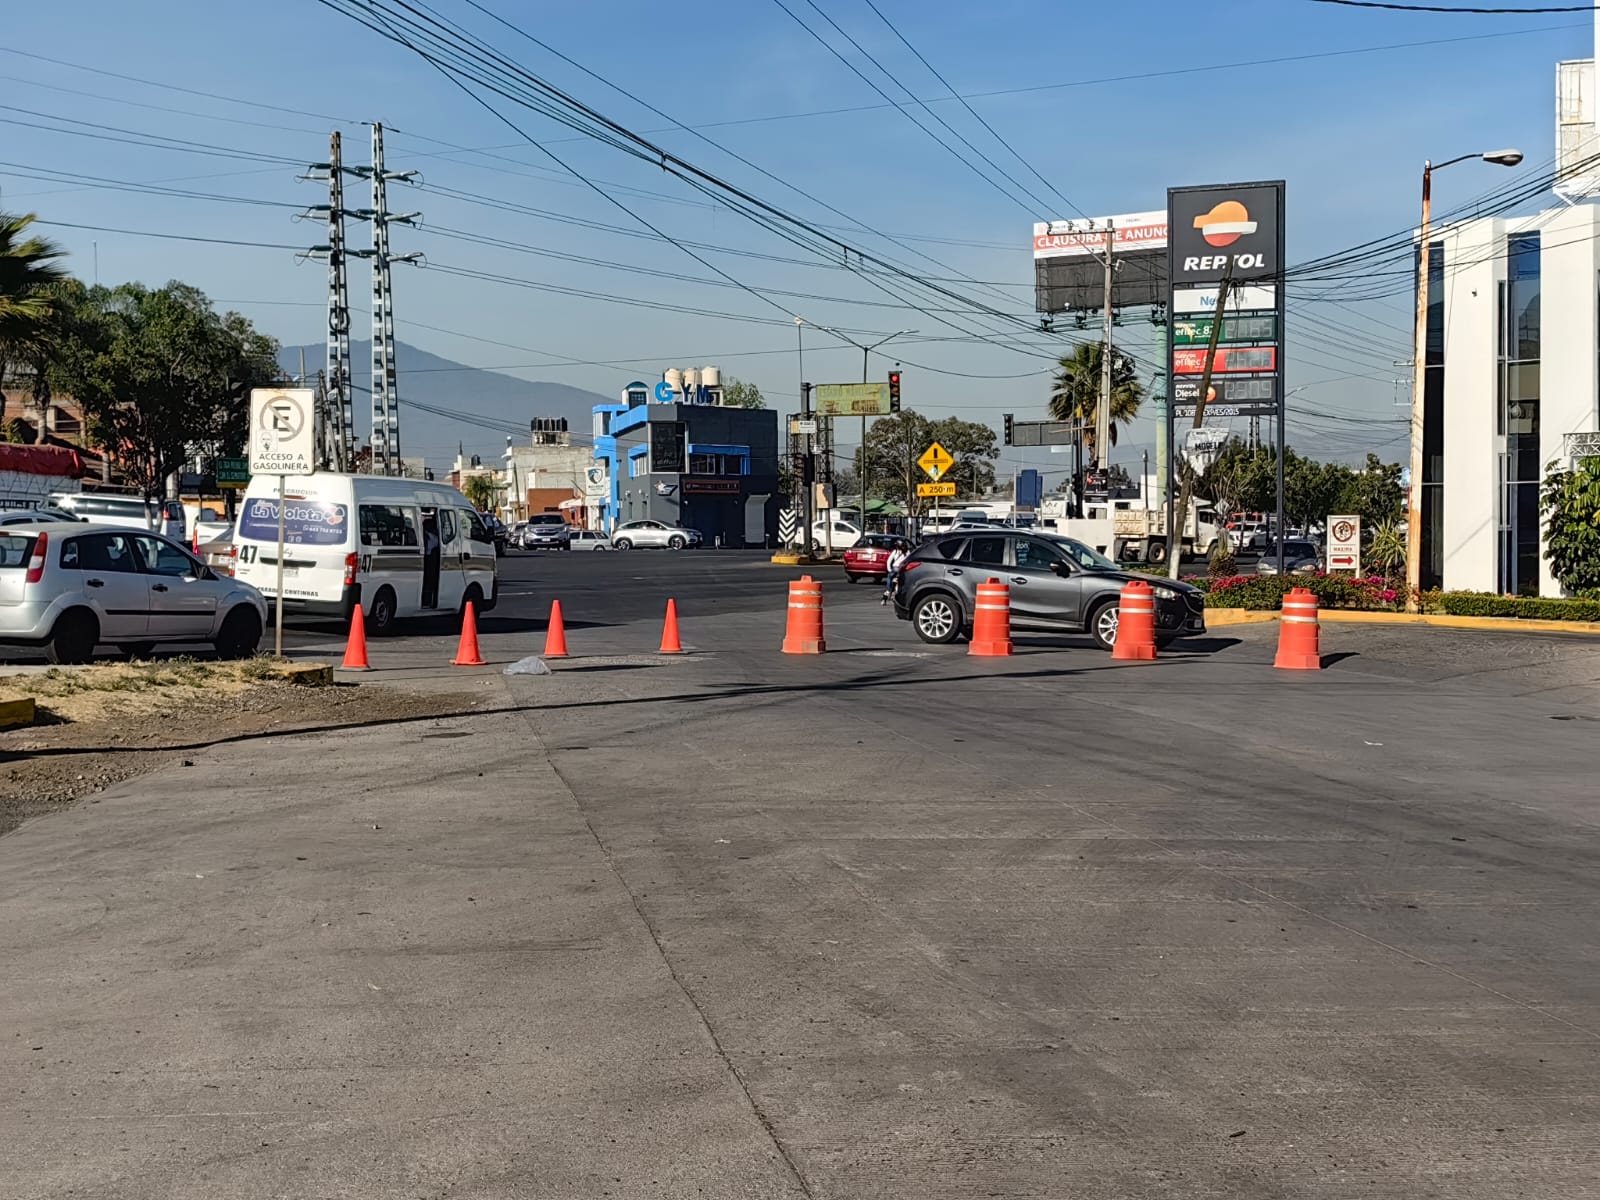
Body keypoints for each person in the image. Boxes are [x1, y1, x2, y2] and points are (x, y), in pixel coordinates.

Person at [882, 541, 909, 606]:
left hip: (895, 568)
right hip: (902, 569)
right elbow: (908, 561)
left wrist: (889, 569)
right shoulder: (907, 552)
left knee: (889, 578)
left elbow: (889, 561)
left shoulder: (895, 551)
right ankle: (896, 595)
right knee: (900, 582)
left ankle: (887, 592)